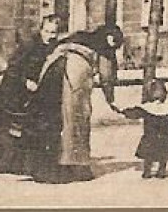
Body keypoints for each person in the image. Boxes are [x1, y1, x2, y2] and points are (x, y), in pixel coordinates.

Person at [26, 24, 122, 183]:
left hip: (50, 69)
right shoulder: (105, 48)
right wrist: (110, 100)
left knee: (49, 117)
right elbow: (107, 77)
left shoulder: (78, 36)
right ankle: (74, 166)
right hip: (73, 75)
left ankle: (42, 166)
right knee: (76, 118)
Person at [0, 14, 61, 175]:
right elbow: (13, 68)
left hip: (29, 93)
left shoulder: (53, 48)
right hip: (11, 91)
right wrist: (25, 81)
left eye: (53, 33)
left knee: (24, 127)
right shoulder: (29, 46)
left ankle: (17, 164)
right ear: (41, 30)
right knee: (4, 128)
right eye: (47, 31)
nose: (50, 36)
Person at [120, 79, 168, 179]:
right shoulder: (167, 110)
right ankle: (161, 171)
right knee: (163, 156)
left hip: (149, 137)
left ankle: (147, 172)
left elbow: (134, 113)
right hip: (164, 137)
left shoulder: (146, 108)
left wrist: (123, 111)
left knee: (148, 156)